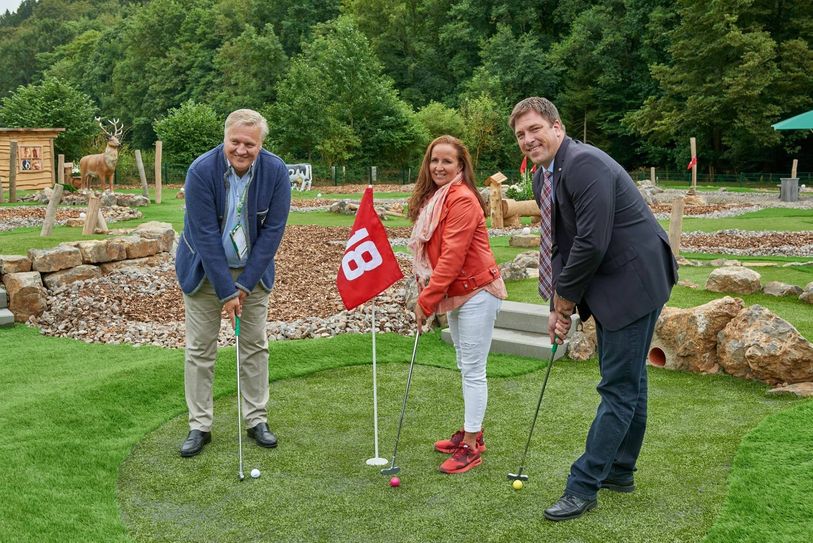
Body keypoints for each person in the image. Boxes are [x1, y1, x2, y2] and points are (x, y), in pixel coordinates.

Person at [509, 97, 677, 520]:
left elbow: (591, 243)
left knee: (617, 387)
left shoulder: (584, 165)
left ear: (557, 127)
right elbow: (560, 247)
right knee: (629, 379)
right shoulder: (542, 178)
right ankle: (620, 470)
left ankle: (583, 485)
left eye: (534, 129)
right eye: (520, 135)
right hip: (610, 281)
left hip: (634, 281)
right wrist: (555, 305)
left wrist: (566, 303)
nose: (528, 140)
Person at [175, 109, 291, 457]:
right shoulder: (200, 171)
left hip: (252, 272)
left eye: (250, 144)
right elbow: (206, 235)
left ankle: (256, 419)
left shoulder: (276, 171)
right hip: (204, 269)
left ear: (261, 144)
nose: (241, 150)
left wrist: (243, 286)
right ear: (225, 138)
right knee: (200, 349)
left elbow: (272, 233)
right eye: (235, 142)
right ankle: (200, 426)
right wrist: (227, 291)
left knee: (254, 346)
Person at [407, 135, 507, 474]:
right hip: (460, 293)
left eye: (447, 161)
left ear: (460, 166)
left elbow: (452, 258)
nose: (439, 167)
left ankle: (471, 445)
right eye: (434, 160)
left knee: (474, 370)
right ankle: (470, 433)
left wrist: (426, 301)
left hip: (478, 291)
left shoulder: (462, 199)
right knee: (466, 365)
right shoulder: (438, 198)